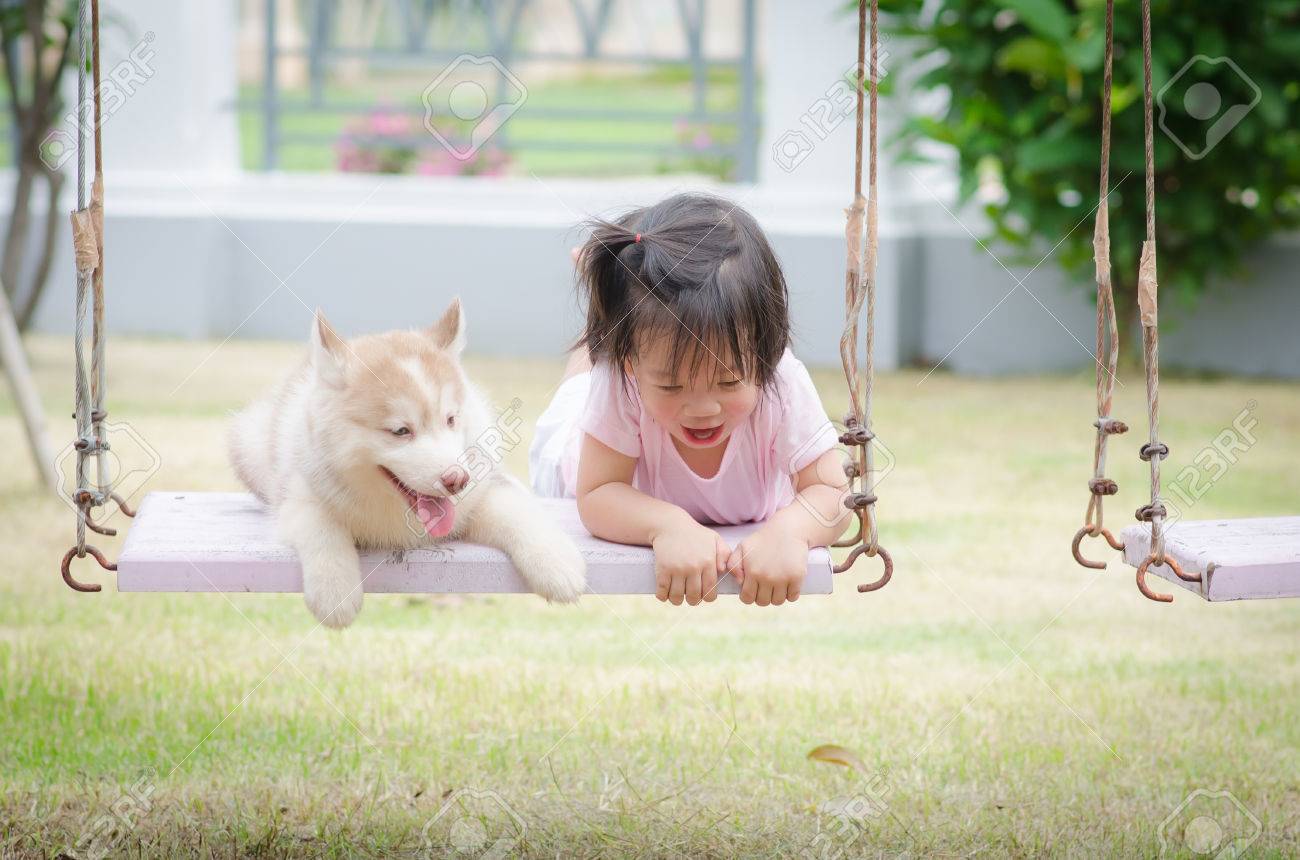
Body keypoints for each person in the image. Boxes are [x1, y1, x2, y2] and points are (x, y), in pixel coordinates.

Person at [529, 193, 849, 607]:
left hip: (637, 368)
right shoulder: (620, 379)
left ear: (767, 357)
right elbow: (598, 494)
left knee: (616, 354)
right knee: (585, 374)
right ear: (633, 367)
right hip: (570, 460)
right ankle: (602, 317)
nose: (703, 409)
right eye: (671, 387)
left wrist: (791, 530)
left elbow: (834, 492)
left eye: (729, 382)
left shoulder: (781, 382)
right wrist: (666, 525)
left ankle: (612, 323)